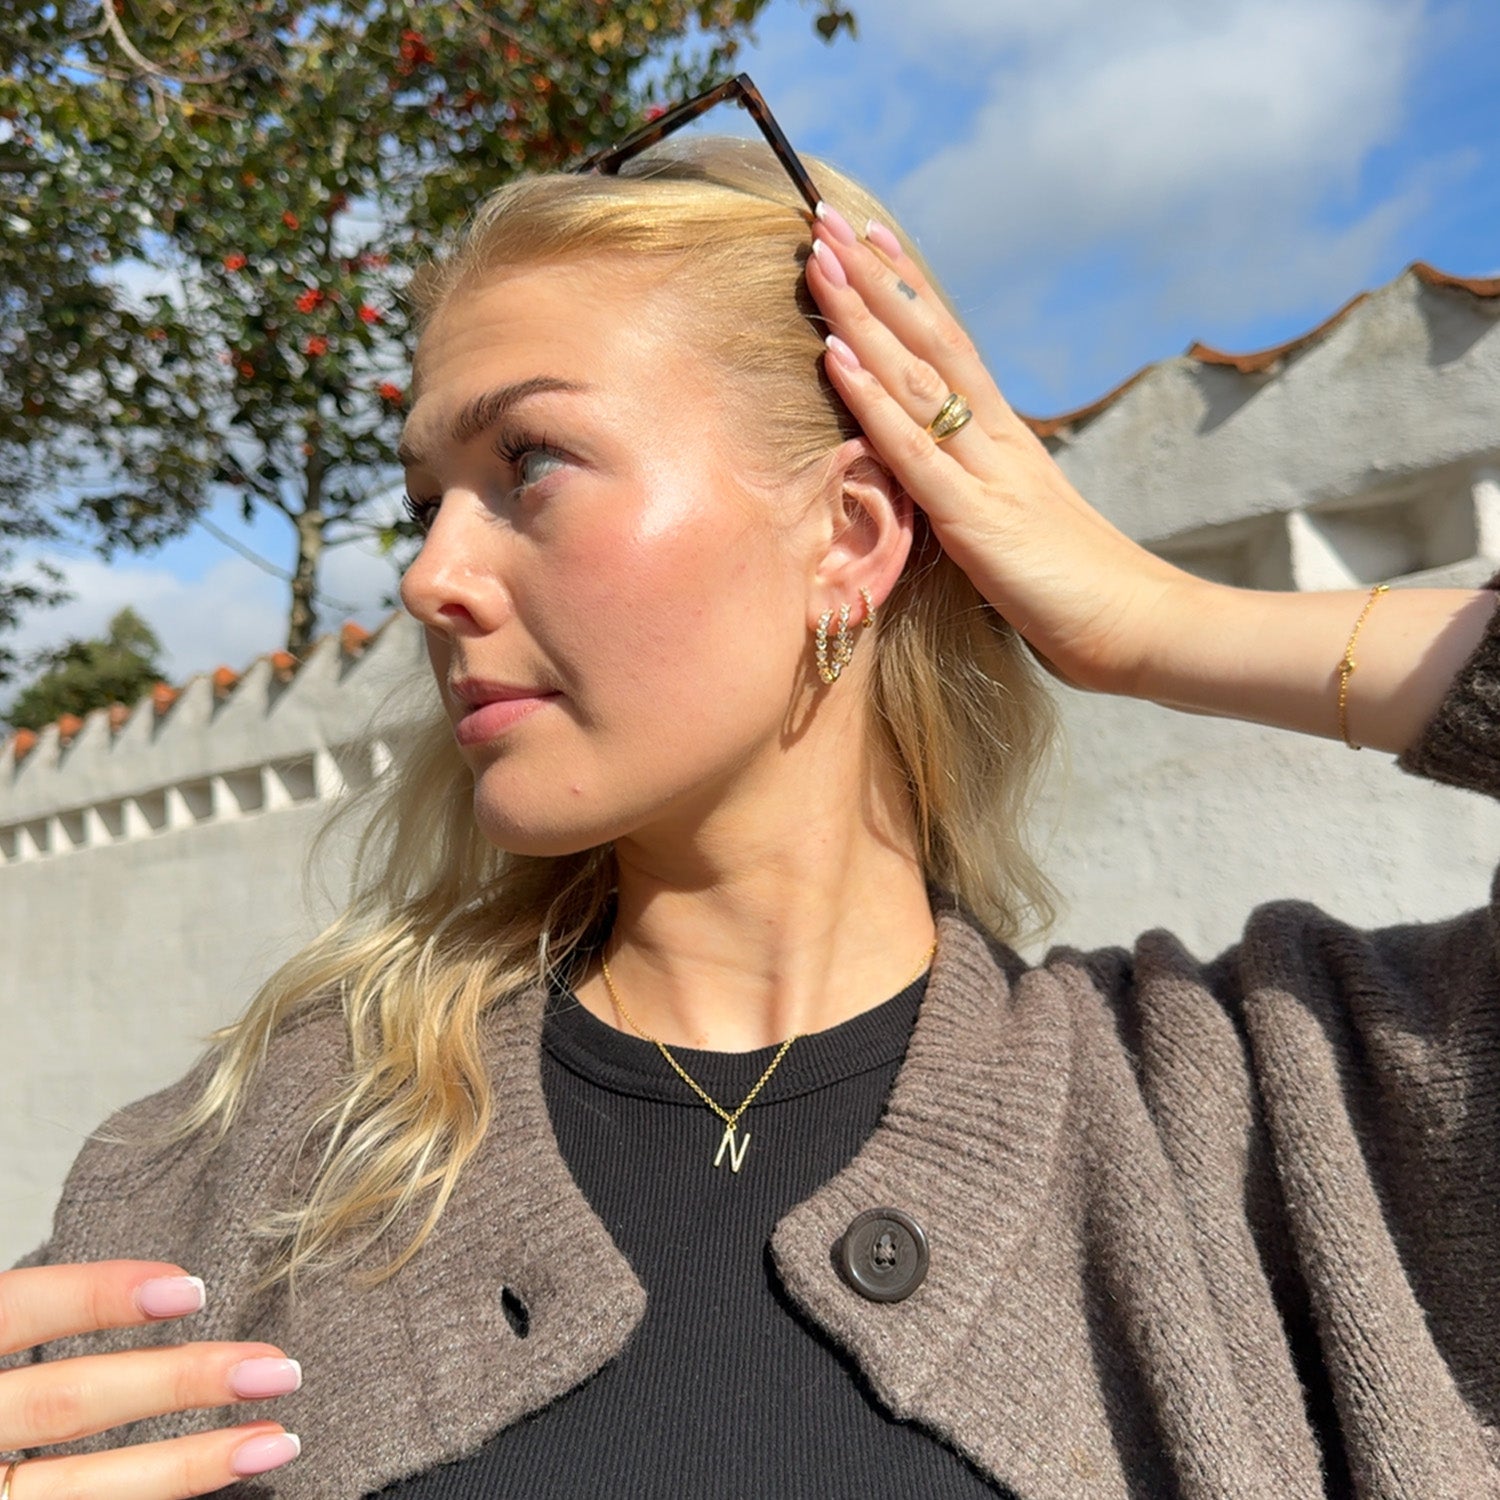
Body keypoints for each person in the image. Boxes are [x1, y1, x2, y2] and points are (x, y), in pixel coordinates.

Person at [2, 82, 1498, 1500]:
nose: (429, 576)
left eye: (531, 462)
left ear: (849, 536)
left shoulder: (1273, 1117)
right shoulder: (263, 1172)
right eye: (424, 502)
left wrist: (1154, 620)